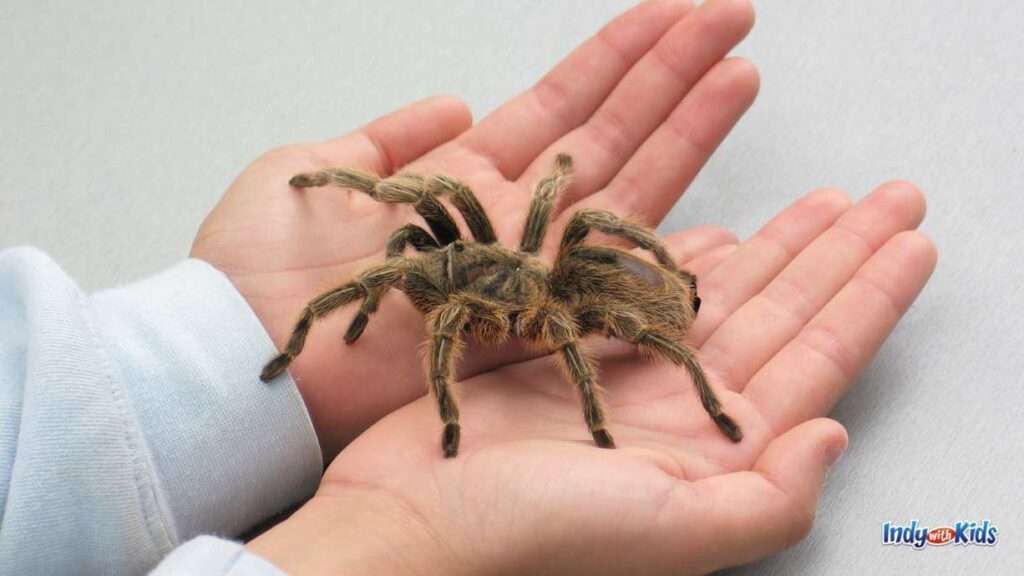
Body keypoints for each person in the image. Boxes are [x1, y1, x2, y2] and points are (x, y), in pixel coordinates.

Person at [0, 0, 937, 573]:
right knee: (433, 211)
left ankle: (661, 353)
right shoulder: (460, 249)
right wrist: (278, 311)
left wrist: (577, 415)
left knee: (553, 298)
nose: (418, 268)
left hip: (561, 295)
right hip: (542, 277)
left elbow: (537, 266)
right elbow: (427, 219)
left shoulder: (509, 297)